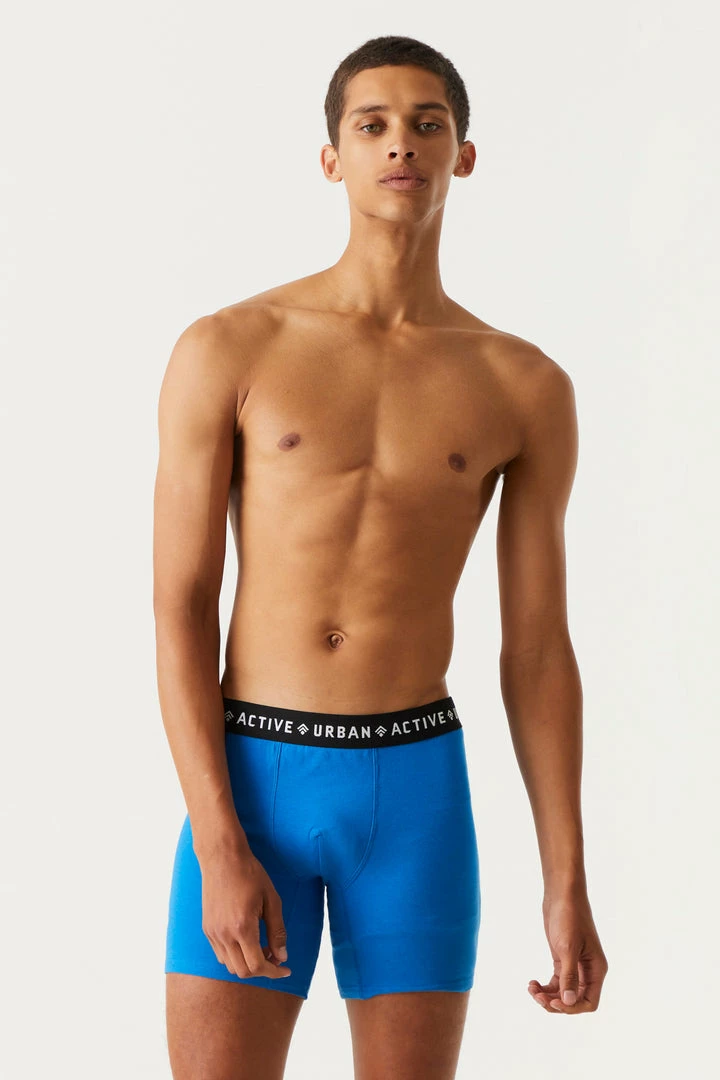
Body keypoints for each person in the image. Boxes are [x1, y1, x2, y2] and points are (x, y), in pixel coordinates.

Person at [153, 33, 608, 1080]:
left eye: (426, 123)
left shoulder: (523, 385)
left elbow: (537, 649)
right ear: (333, 158)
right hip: (254, 780)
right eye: (373, 125)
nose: (400, 143)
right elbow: (180, 603)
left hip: (415, 794)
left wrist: (566, 880)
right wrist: (219, 840)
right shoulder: (232, 346)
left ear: (463, 154)